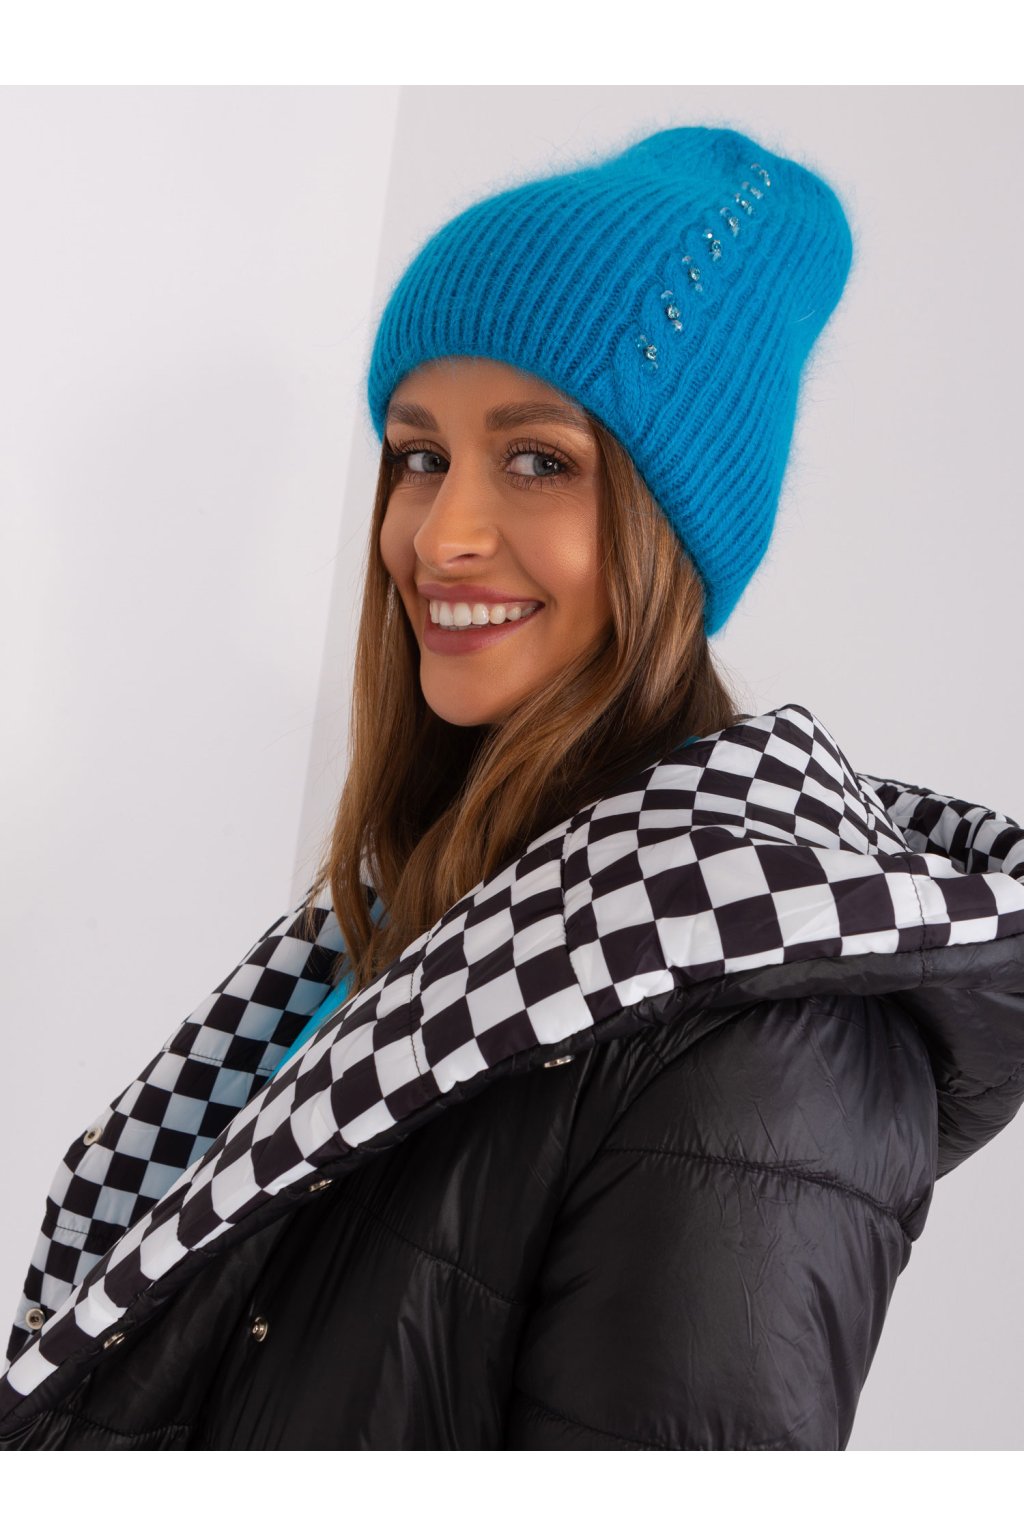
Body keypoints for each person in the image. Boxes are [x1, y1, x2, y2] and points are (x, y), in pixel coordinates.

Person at [2, 123, 1024, 1453]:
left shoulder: (767, 1032)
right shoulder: (444, 888)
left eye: (538, 459)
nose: (440, 535)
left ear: (675, 529)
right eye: (420, 455)